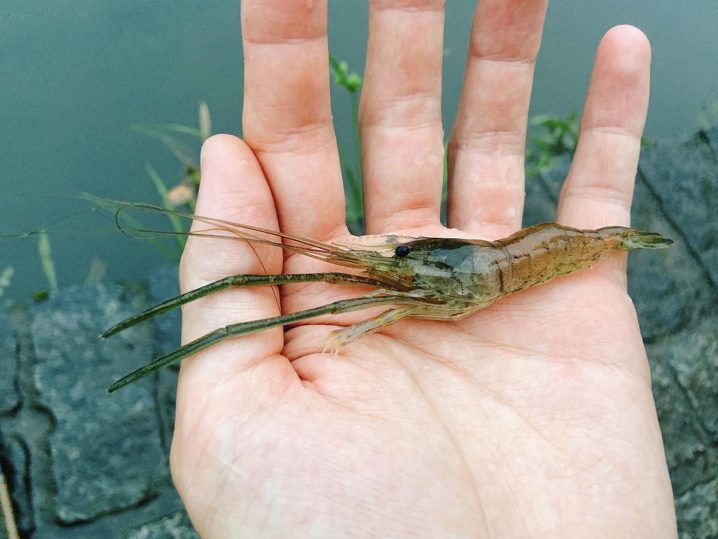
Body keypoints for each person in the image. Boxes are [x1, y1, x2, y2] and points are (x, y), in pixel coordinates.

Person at [170, 1, 678, 536]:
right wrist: (398, 257)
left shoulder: (442, 292)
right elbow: (402, 266)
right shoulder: (427, 275)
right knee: (380, 274)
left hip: (525, 258)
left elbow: (380, 308)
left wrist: (355, 330)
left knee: (368, 293)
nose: (390, 264)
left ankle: (614, 240)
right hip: (498, 259)